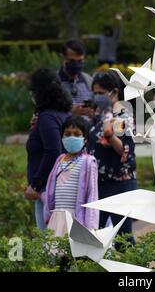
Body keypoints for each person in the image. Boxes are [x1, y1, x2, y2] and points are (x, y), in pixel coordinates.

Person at [87, 70, 137, 245]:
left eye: (101, 93)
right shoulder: (99, 116)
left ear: (114, 93)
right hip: (98, 184)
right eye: (95, 93)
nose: (97, 97)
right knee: (95, 235)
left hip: (120, 185)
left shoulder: (123, 116)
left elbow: (125, 151)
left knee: (123, 239)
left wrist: (110, 135)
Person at [25, 68, 72, 230]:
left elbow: (53, 151)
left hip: (48, 189)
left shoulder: (47, 117)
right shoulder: (61, 114)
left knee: (49, 243)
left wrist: (36, 184)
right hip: (61, 184)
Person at [42, 116, 99, 236]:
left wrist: (91, 227)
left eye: (77, 134)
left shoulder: (88, 162)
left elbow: (92, 195)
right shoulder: (59, 160)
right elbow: (50, 191)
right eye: (67, 134)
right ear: (62, 137)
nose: (71, 137)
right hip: (56, 219)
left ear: (85, 139)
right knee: (55, 252)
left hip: (75, 220)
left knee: (72, 252)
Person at [29, 40, 94, 130]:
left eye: (80, 61)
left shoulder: (88, 80)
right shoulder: (52, 82)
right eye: (71, 61)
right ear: (63, 58)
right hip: (60, 131)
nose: (76, 65)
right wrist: (70, 111)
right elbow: (44, 110)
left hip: (86, 132)